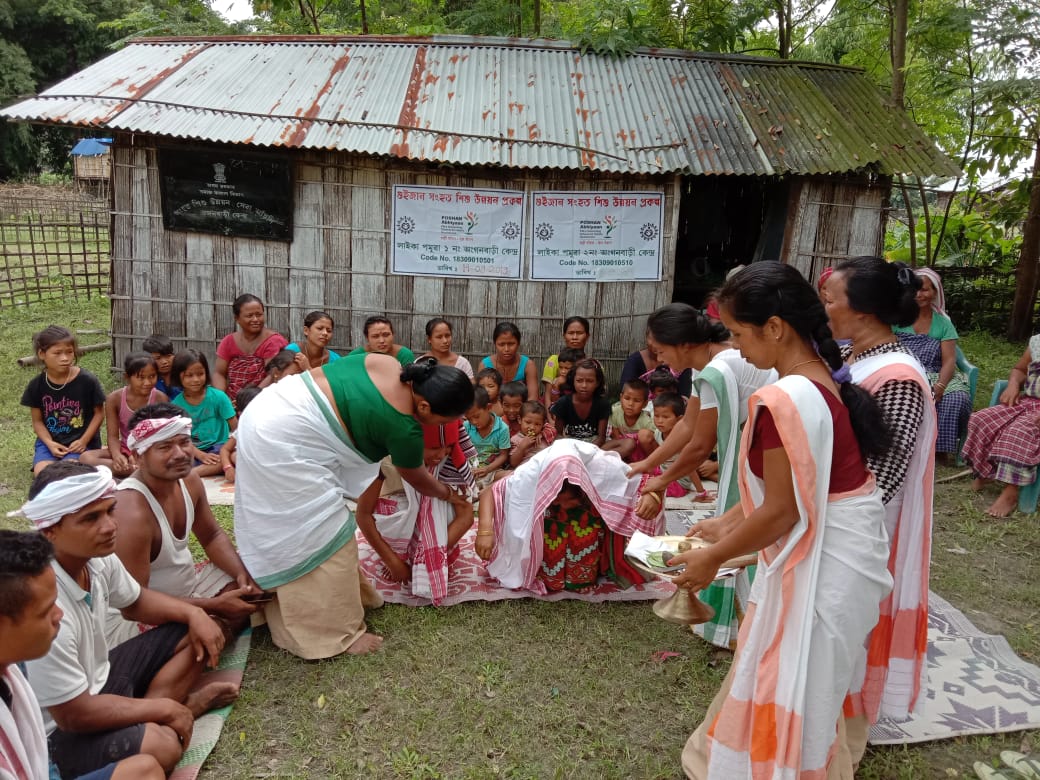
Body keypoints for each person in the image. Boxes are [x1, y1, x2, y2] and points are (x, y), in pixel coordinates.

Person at [674, 263, 893, 779]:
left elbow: (783, 508)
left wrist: (713, 558)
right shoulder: (818, 379)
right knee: (800, 672)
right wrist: (726, 523)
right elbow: (797, 486)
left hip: (832, 562)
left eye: (737, 333)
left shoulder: (786, 398)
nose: (734, 347)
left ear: (775, 328)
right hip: (847, 549)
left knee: (797, 674)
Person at [232, 354, 474, 659]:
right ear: (424, 407)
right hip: (284, 438)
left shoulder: (387, 364)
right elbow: (419, 481)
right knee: (323, 531)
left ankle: (283, 598)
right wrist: (449, 493)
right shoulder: (405, 429)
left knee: (282, 521)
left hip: (272, 406)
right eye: (444, 421)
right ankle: (332, 632)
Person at [17, 462, 235, 778]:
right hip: (58, 733)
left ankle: (157, 716)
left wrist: (195, 612)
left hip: (101, 680)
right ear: (49, 529)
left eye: (110, 511)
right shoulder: (41, 608)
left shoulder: (97, 557)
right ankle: (174, 711)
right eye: (91, 518)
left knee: (197, 630)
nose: (110, 526)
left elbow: (137, 601)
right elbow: (72, 715)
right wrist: (164, 709)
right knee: (164, 749)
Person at [822, 256, 935, 743]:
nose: (822, 309)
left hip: (864, 529)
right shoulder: (857, 357)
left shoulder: (899, 377)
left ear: (864, 312)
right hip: (841, 517)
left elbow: (884, 477)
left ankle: (841, 736)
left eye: (830, 300)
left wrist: (826, 518)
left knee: (848, 628)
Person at [628, 302, 777, 650]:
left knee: (744, 533)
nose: (660, 360)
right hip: (752, 454)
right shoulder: (705, 366)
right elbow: (687, 426)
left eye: (661, 351)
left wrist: (662, 481)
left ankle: (750, 629)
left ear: (683, 344)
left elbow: (699, 445)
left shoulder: (716, 369)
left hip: (759, 460)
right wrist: (647, 464)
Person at [0, 529, 165, 780]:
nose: (59, 615)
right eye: (44, 612)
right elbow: (72, 715)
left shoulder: (14, 668)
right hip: (63, 736)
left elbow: (43, 763)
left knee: (146, 770)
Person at [106, 406, 263, 647]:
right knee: (195, 635)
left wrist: (242, 576)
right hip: (136, 615)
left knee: (258, 574)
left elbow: (211, 535)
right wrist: (213, 607)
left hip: (188, 588)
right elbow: (134, 604)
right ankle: (211, 632)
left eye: (184, 442)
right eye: (164, 446)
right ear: (138, 457)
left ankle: (215, 630)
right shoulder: (131, 511)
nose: (180, 454)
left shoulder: (189, 480)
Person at [474, 439, 660, 592]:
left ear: (582, 489)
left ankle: (583, 576)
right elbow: (491, 492)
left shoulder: (600, 469)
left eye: (562, 499)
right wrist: (484, 531)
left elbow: (642, 482)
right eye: (553, 499)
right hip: (551, 533)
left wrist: (652, 495)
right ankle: (548, 572)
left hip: (587, 526)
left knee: (582, 526)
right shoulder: (531, 475)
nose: (556, 503)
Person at [356, 466, 475, 605]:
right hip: (396, 504)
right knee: (406, 509)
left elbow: (466, 515)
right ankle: (400, 554)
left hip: (435, 525)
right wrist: (394, 563)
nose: (440, 454)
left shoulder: (449, 460)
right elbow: (363, 515)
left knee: (437, 505)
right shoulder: (384, 459)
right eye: (434, 448)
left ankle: (420, 557)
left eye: (445, 448)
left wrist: (429, 558)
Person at [892, 268, 973, 463]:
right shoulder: (896, 320)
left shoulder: (943, 324)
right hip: (904, 372)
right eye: (915, 290)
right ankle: (903, 446)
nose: (919, 295)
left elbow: (949, 361)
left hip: (936, 373)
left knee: (957, 398)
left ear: (935, 292)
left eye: (925, 290)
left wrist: (941, 386)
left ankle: (940, 450)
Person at [962, 334, 1040, 517]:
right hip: (1028, 402)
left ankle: (1011, 492)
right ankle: (984, 473)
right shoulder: (1037, 341)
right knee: (981, 419)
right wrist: (1013, 384)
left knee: (1019, 432)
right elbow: (1020, 369)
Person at [22, 326, 107, 475]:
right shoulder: (36, 385)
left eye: (69, 352)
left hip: (80, 443)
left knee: (68, 473)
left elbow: (99, 414)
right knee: (42, 474)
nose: (65, 358)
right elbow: (37, 422)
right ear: (42, 354)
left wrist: (83, 441)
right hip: (50, 443)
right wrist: (49, 444)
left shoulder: (87, 381)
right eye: (57, 353)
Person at [170, 350, 237, 478]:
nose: (196, 380)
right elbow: (178, 437)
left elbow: (237, 429)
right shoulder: (175, 405)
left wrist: (228, 451)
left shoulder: (219, 397)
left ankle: (190, 475)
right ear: (178, 376)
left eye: (200, 374)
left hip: (218, 446)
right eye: (189, 375)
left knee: (225, 458)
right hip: (191, 448)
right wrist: (200, 455)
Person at [102, 352, 169, 478]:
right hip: (126, 447)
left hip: (151, 447)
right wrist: (117, 456)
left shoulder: (160, 398)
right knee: (87, 458)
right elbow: (112, 437)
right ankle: (137, 470)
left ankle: (133, 469)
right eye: (141, 377)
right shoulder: (114, 399)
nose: (147, 382)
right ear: (127, 377)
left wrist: (141, 454)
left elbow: (163, 436)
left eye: (152, 376)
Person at [212, 294, 288, 403]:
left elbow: (273, 375)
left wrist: (250, 399)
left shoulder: (273, 341)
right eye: (249, 316)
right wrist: (222, 399)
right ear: (237, 318)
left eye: (259, 315)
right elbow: (219, 373)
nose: (255, 319)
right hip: (231, 402)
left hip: (263, 399)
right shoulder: (228, 342)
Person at [647, 393, 707, 498]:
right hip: (663, 473)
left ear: (679, 419)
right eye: (656, 416)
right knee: (639, 476)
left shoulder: (681, 441)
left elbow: (690, 467)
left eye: (665, 417)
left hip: (678, 482)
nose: (660, 421)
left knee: (650, 487)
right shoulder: (657, 433)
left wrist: (701, 492)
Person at [550, 359, 610, 446]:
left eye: (590, 381)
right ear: (573, 381)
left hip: (594, 446)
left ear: (597, 383)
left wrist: (587, 451)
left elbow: (601, 438)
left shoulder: (603, 404)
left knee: (627, 443)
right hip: (571, 444)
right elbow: (558, 435)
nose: (584, 385)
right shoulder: (563, 403)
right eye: (579, 381)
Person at [463, 386, 511, 489]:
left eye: (477, 416)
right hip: (470, 472)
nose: (474, 422)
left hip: (492, 471)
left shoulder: (502, 428)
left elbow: (503, 455)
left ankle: (485, 491)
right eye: (469, 418)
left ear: (488, 407)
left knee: (510, 476)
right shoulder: (466, 426)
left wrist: (487, 469)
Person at [620, 333, 693, 397]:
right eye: (652, 338)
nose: (655, 344)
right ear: (646, 338)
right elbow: (627, 392)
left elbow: (685, 394)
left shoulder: (682, 362)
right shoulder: (635, 360)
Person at [481, 322, 539, 402]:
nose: (506, 349)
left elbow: (533, 398)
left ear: (518, 343)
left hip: (521, 411)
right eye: (501, 344)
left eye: (511, 344)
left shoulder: (528, 365)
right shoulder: (485, 365)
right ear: (495, 344)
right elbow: (481, 397)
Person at [602, 379, 657, 462]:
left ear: (645, 404)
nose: (630, 404)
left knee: (638, 439)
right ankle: (601, 457)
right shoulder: (615, 412)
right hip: (624, 447)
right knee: (605, 446)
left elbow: (652, 442)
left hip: (640, 453)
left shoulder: (647, 421)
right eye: (627, 398)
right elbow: (616, 437)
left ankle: (651, 463)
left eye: (637, 401)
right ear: (621, 398)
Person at [219, 385, 262, 483]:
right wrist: (227, 467)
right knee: (234, 455)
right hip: (248, 464)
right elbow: (224, 449)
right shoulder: (242, 430)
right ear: (240, 414)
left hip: (266, 462)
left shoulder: (272, 427)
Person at [541, 316, 590, 393]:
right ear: (564, 336)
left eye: (579, 333)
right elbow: (548, 393)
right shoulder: (554, 360)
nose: (574, 337)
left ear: (587, 336)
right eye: (570, 333)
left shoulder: (593, 364)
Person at [348, 316, 416, 367]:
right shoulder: (355, 356)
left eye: (386, 335)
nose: (382, 341)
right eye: (375, 336)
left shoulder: (404, 355)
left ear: (393, 334)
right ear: (367, 338)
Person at [509, 401, 555, 468]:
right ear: (519, 419)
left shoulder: (545, 433)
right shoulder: (515, 439)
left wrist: (543, 433)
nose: (532, 427)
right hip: (526, 470)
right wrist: (521, 447)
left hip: (546, 468)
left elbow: (554, 429)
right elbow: (513, 463)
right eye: (528, 422)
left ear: (543, 424)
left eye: (537, 424)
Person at [543, 346, 583, 411]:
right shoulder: (558, 380)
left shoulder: (580, 382)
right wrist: (556, 386)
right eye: (560, 367)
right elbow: (554, 403)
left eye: (567, 368)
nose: (563, 371)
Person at [142, 334, 179, 400]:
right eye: (158, 358)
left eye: (168, 356)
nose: (164, 362)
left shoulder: (183, 377)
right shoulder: (148, 383)